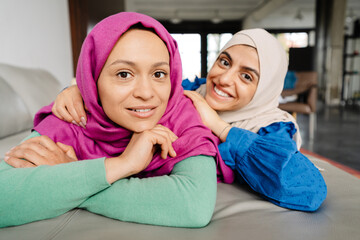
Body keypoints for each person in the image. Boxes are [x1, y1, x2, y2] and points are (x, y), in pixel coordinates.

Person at [50, 28, 327, 212]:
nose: (224, 79)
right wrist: (78, 88)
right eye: (225, 62)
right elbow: (132, 94)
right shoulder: (190, 89)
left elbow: (308, 190)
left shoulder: (270, 127)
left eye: (247, 76)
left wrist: (220, 127)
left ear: (265, 87)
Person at [0, 12, 234, 228]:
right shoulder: (73, 116)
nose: (146, 92)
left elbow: (193, 205)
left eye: (158, 74)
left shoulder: (181, 114)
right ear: (92, 81)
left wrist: (69, 173)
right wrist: (122, 165)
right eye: (124, 74)